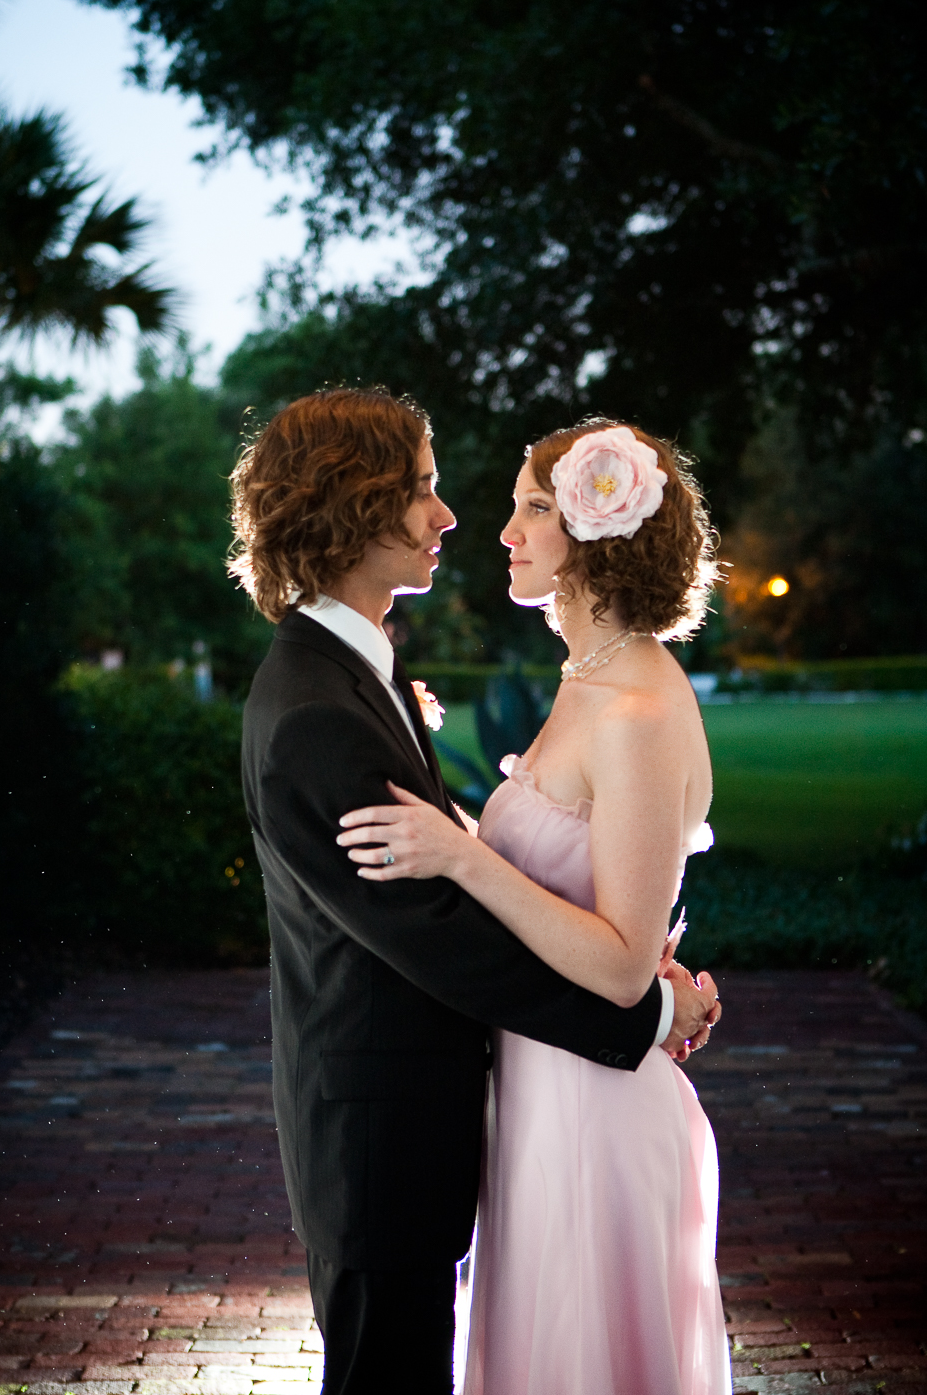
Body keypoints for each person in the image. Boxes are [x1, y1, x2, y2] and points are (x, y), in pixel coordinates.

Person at [230, 389, 720, 1395]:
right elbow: (443, 937)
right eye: (422, 490)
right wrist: (653, 1008)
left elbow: (483, 893)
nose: (453, 519)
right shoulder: (323, 710)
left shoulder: (355, 682)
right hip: (393, 1141)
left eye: (525, 505)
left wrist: (464, 846)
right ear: (347, 506)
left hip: (538, 1118)